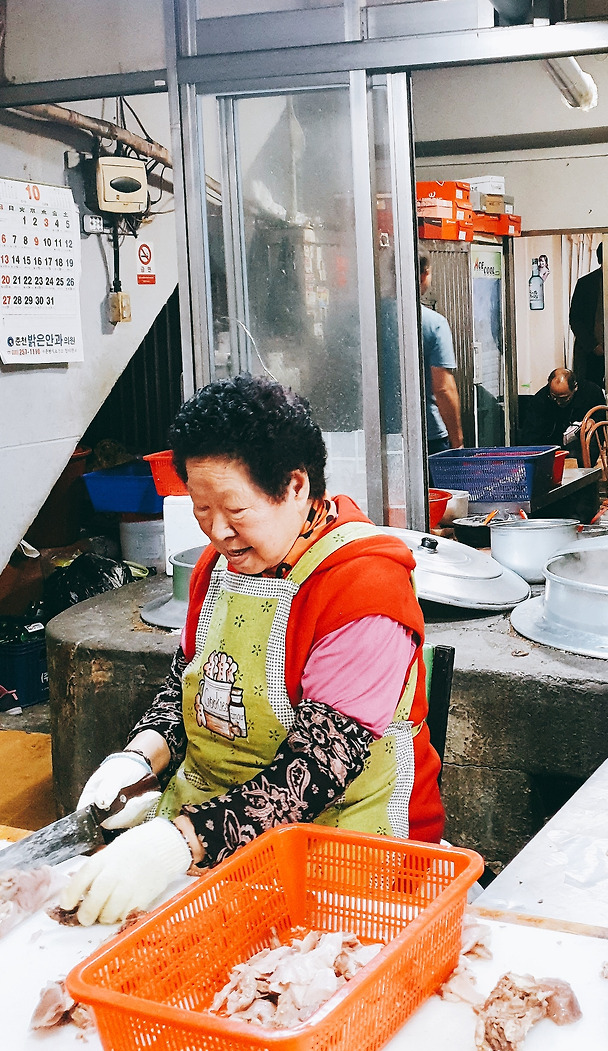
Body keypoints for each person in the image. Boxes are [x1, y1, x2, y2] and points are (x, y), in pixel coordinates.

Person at [58, 376, 444, 926]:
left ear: (294, 486)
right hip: (210, 827)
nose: (218, 532)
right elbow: (187, 689)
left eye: (235, 510)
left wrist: (179, 842)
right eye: (201, 508)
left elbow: (319, 767)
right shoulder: (218, 569)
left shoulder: (364, 589)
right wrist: (139, 759)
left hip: (346, 848)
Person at [419, 253, 463, 453]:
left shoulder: (365, 320)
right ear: (424, 275)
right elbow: (443, 388)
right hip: (429, 437)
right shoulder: (433, 323)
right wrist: (457, 440)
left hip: (369, 437)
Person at [523, 367, 605, 458]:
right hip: (552, 449)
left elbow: (602, 416)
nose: (558, 402)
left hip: (583, 447)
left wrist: (593, 420)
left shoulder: (591, 392)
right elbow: (530, 436)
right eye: (554, 397)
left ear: (575, 387)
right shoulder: (540, 400)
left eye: (564, 398)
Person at [569, 243, 605, 389]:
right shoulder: (586, 283)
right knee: (590, 392)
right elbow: (575, 319)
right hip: (590, 353)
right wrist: (593, 346)